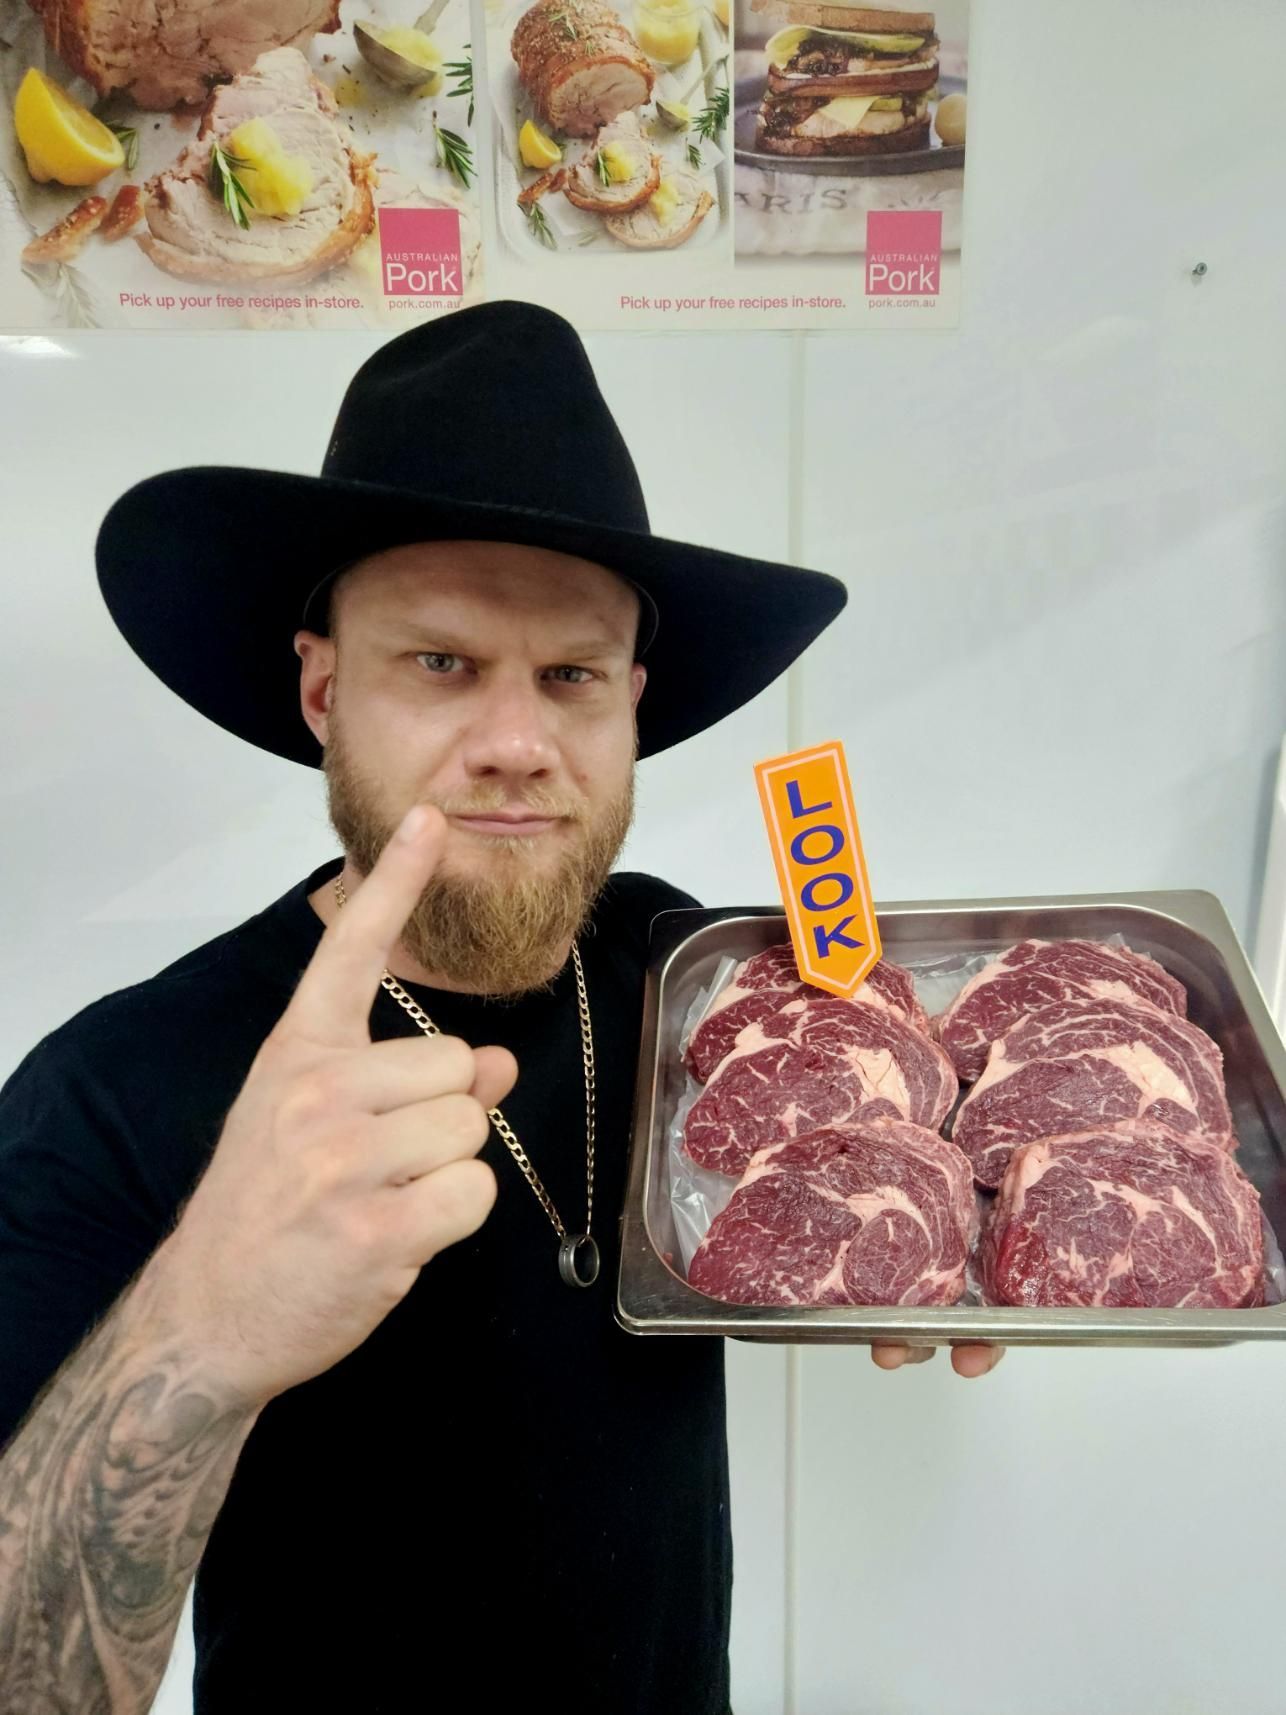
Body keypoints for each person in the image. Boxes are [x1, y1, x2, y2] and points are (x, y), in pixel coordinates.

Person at [0, 301, 1000, 1715]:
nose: (519, 745)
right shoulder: (118, 1082)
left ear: (631, 704)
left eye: (570, 677)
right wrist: (197, 1329)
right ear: (323, 690)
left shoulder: (692, 977)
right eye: (442, 664)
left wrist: (963, 1215)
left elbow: (931, 1095)